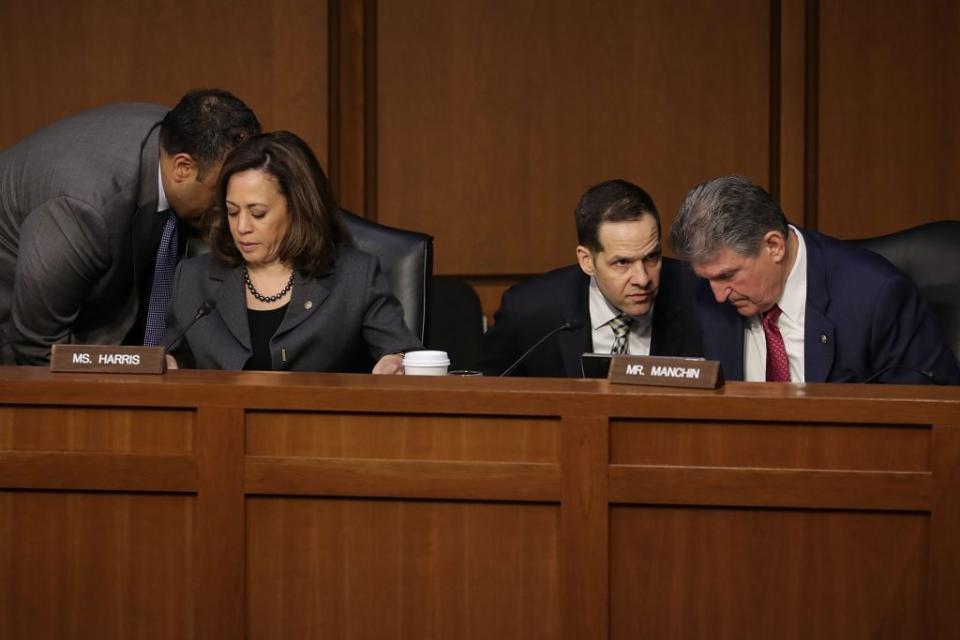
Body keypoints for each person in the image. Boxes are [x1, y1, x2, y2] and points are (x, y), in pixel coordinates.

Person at [0, 89, 261, 364]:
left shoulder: (178, 138)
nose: (230, 205)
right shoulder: (85, 210)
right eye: (222, 190)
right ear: (182, 168)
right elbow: (36, 347)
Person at [163, 131, 422, 373]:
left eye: (258, 213)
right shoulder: (193, 279)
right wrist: (165, 365)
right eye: (232, 212)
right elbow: (172, 361)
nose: (242, 227)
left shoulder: (355, 277)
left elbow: (405, 354)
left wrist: (396, 361)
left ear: (298, 210)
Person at [669, 175, 960, 384]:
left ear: (774, 246)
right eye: (707, 279)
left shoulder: (877, 297)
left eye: (728, 275)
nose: (719, 295)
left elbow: (929, 417)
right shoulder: (704, 296)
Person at [480, 179, 702, 377]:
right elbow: (483, 397)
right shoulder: (528, 310)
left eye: (651, 257)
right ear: (587, 260)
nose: (643, 279)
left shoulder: (698, 294)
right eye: (622, 263)